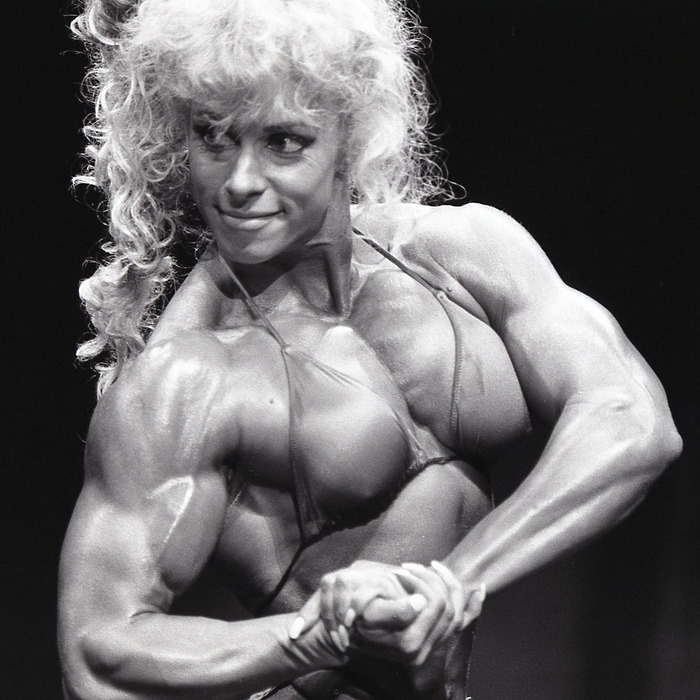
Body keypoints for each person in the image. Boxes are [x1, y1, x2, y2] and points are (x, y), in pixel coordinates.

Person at [58, 1, 682, 698]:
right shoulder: (186, 377)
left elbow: (632, 422)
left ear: (349, 135)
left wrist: (456, 583)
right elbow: (98, 653)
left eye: (283, 141)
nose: (239, 181)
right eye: (214, 138)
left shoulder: (461, 255)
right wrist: (313, 636)